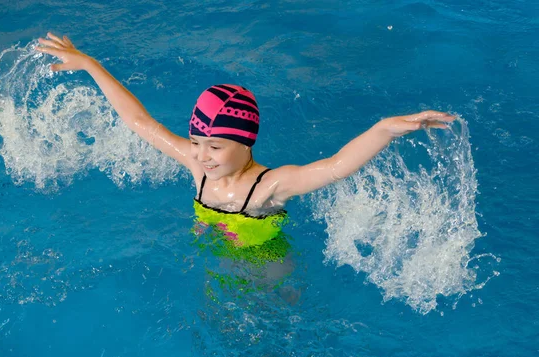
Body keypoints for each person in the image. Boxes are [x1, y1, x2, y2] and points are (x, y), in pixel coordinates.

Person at [36, 32, 454, 264]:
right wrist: (90, 64)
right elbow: (141, 122)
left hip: (266, 266)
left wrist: (384, 128)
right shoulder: (196, 166)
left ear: (245, 141)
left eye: (215, 146)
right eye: (197, 141)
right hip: (214, 255)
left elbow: (336, 167)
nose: (201, 154)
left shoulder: (270, 185)